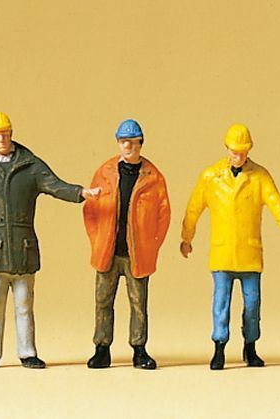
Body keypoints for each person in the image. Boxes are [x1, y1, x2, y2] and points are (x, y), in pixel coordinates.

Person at [0, 111, 99, 369]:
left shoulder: (29, 164)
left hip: (23, 249)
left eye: (5, 133)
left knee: (24, 304)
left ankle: (27, 352)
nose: (2, 139)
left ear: (12, 133)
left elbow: (55, 185)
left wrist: (80, 193)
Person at [180, 124, 280, 370]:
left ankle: (251, 346)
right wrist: (187, 237)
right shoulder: (211, 177)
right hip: (222, 253)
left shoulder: (260, 177)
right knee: (221, 304)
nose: (238, 156)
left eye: (243, 151)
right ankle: (219, 348)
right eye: (234, 151)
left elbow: (276, 203)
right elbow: (193, 209)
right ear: (227, 148)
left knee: (253, 305)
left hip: (249, 253)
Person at [83, 119, 170, 370]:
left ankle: (139, 349)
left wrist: (151, 247)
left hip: (137, 254)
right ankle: (102, 348)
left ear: (141, 143)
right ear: (118, 143)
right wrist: (97, 241)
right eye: (123, 141)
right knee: (103, 300)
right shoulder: (105, 173)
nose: (128, 146)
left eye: (132, 142)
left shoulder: (153, 177)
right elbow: (90, 211)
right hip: (107, 252)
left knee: (138, 303)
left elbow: (163, 216)